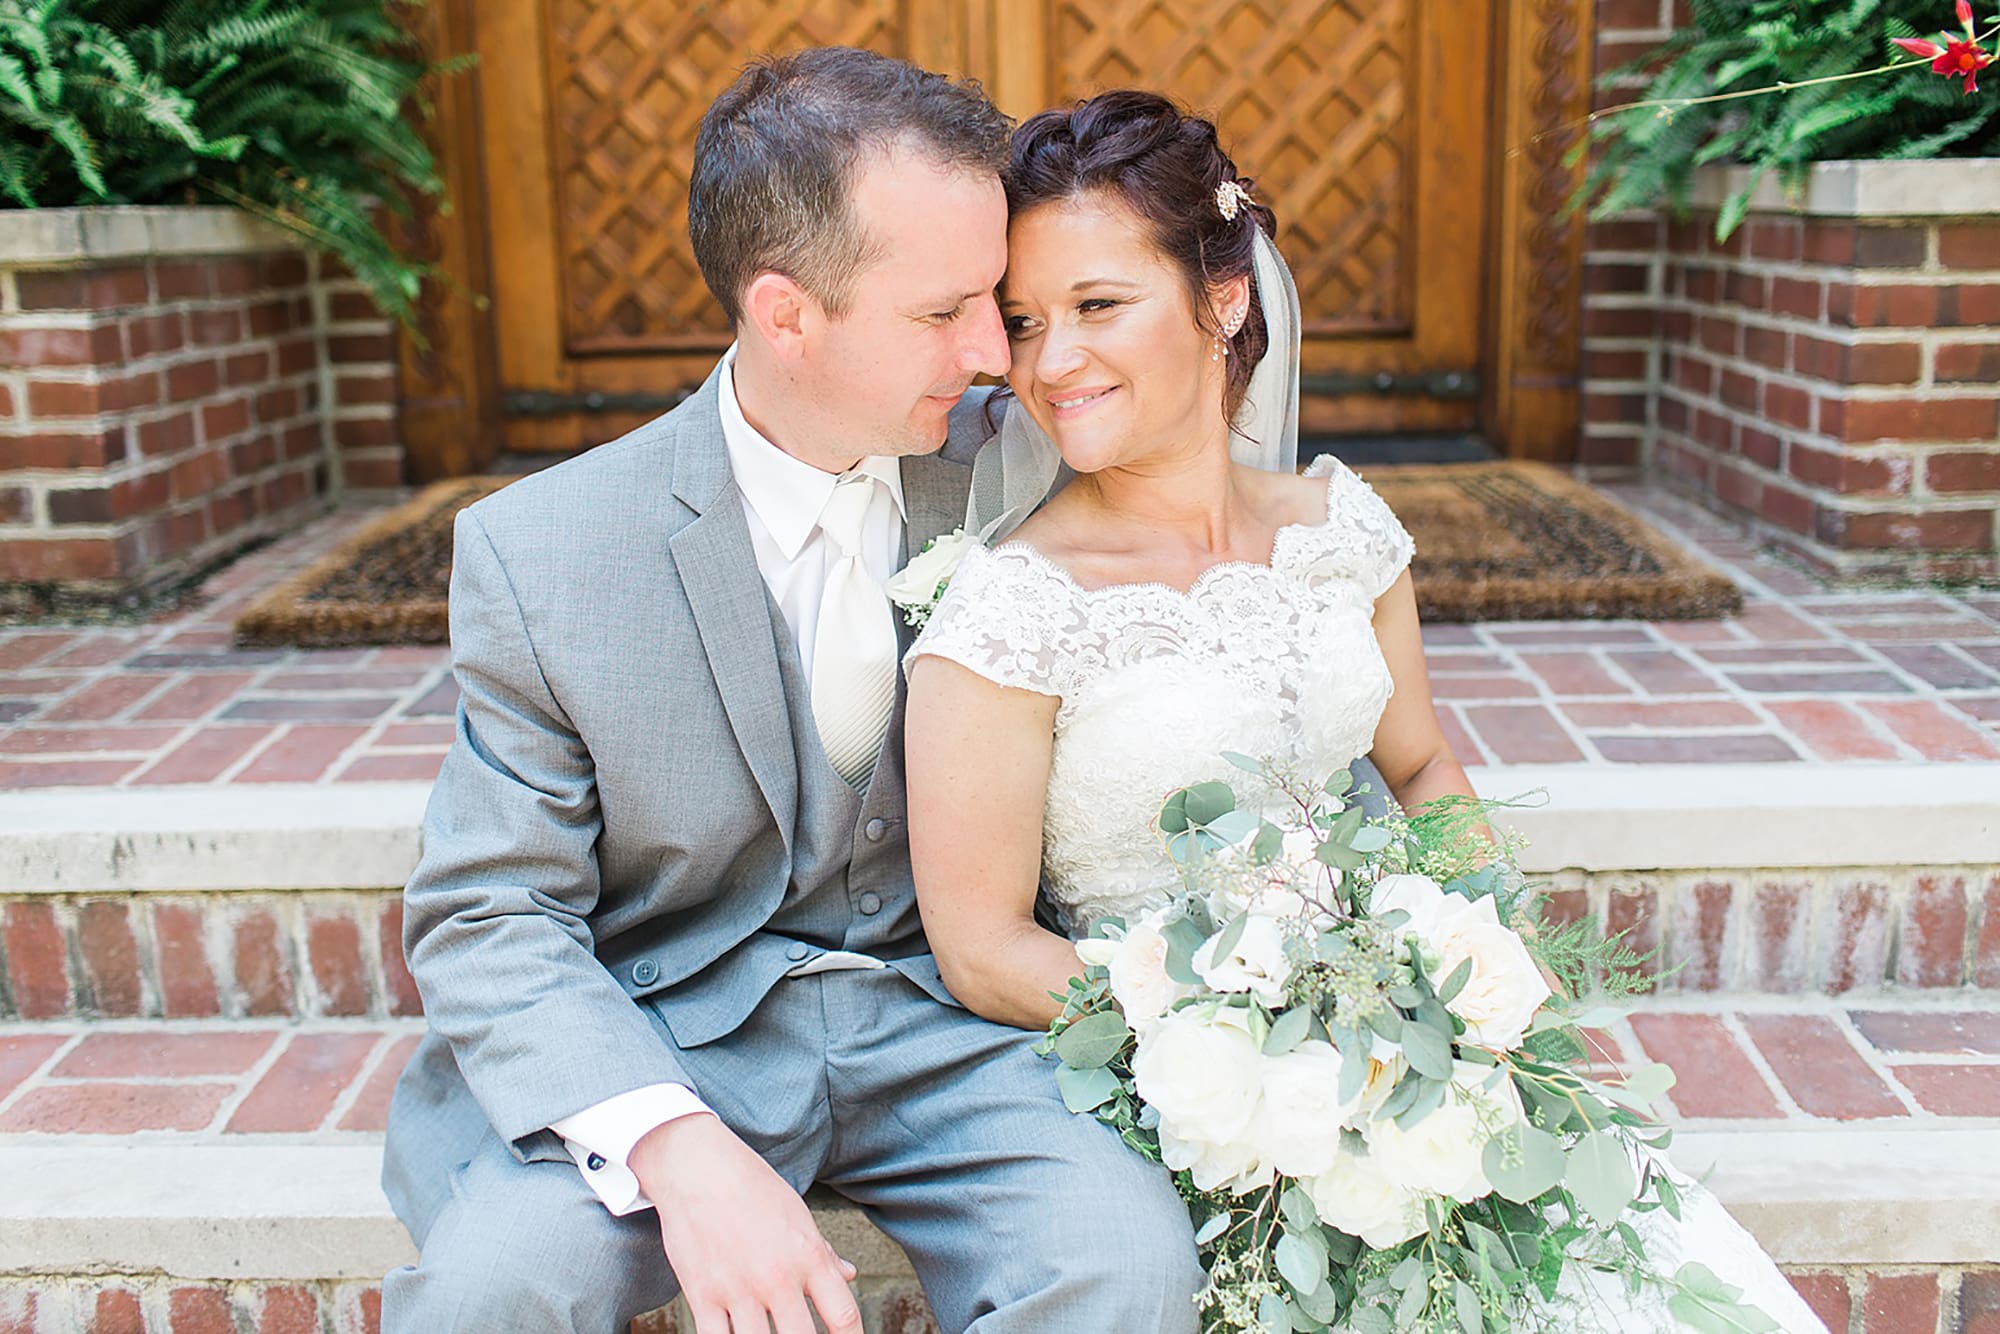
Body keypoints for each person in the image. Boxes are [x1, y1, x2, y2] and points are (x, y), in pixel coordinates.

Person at [902, 89, 1829, 1332]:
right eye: (1021, 322)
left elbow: (1424, 768)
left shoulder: (1340, 532)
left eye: (1096, 305)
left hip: (1407, 1063)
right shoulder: (1011, 610)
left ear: (1222, 299)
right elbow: (978, 946)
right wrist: (1254, 1047)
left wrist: (1484, 986)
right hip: (1197, 1105)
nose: (1048, 362)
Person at [380, 52, 1202, 1334]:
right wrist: (675, 1147)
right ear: (785, 314)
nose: (999, 353)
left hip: (964, 1024)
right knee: (491, 1291)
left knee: (1125, 1261)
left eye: (995, 297)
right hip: (673, 1029)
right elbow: (488, 909)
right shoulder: (542, 550)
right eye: (944, 313)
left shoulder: (1044, 477)